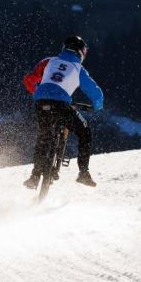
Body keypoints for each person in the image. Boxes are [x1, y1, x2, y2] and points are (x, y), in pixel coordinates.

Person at [22, 36, 104, 189]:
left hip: (41, 103)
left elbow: (29, 79)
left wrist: (38, 93)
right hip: (61, 105)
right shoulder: (79, 69)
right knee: (84, 132)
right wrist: (97, 105)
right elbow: (96, 93)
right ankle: (83, 173)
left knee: (44, 136)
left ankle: (34, 177)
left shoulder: (48, 61)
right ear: (81, 53)